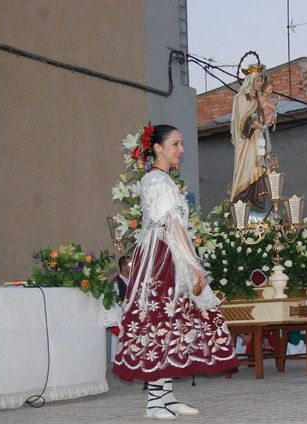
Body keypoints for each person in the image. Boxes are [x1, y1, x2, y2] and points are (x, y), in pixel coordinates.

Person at [113, 124, 239, 419]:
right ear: (157, 148)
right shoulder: (156, 180)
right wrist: (195, 265)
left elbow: (175, 226)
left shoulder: (164, 180)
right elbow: (171, 225)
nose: (181, 150)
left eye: (182, 144)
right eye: (175, 144)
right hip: (161, 258)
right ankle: (154, 401)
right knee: (159, 319)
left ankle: (166, 396)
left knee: (174, 321)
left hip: (169, 255)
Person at [230, 64, 268, 210]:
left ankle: (256, 202)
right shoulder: (241, 98)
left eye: (261, 81)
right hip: (246, 142)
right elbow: (241, 122)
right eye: (258, 81)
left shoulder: (257, 99)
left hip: (257, 140)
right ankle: (242, 201)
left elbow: (260, 117)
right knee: (246, 169)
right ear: (251, 81)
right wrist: (253, 125)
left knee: (258, 169)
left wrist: (262, 123)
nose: (260, 84)